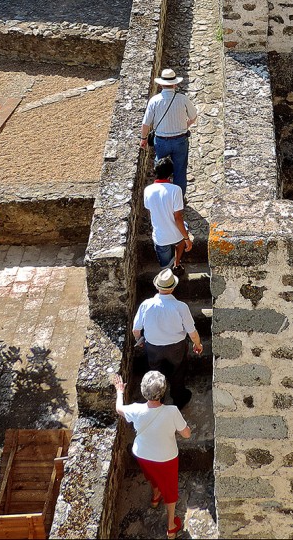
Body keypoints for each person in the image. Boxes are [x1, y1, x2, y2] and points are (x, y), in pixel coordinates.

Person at [113, 370, 190, 538]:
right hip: (166, 457)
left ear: (143, 391)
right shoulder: (172, 411)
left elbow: (119, 408)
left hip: (143, 454)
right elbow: (186, 434)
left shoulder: (135, 409)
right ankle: (171, 526)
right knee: (170, 490)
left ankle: (155, 496)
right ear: (163, 391)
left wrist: (120, 391)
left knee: (152, 476)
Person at [133, 268, 202, 411]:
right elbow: (192, 331)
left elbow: (136, 330)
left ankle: (158, 401)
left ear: (157, 286)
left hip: (152, 346)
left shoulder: (146, 305)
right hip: (176, 347)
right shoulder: (181, 307)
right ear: (173, 288)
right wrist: (198, 344)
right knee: (177, 371)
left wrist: (140, 341)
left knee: (156, 373)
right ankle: (179, 398)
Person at [140, 69, 197, 196]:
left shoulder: (154, 101)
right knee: (180, 170)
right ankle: (178, 198)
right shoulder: (183, 99)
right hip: (180, 140)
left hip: (161, 141)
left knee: (160, 170)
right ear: (175, 84)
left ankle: (162, 196)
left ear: (161, 84)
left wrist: (143, 139)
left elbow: (145, 124)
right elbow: (193, 117)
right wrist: (185, 125)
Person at [144, 156, 193, 273]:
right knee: (182, 234)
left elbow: (149, 209)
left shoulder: (148, 190)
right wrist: (187, 239)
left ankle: (167, 275)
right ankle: (176, 264)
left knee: (165, 268)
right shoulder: (176, 190)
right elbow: (178, 218)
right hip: (175, 235)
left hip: (160, 237)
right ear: (171, 173)